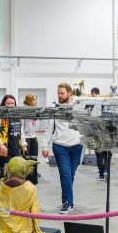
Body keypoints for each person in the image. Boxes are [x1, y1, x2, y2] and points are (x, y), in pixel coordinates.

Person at [42, 83, 83, 214]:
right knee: (65, 174)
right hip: (60, 146)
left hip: (77, 146)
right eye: (58, 93)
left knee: (70, 175)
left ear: (69, 93)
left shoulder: (79, 105)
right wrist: (45, 146)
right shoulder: (54, 107)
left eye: (62, 93)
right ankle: (68, 203)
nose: (59, 95)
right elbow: (49, 128)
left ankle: (66, 199)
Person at [0, 157, 46, 233]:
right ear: (25, 169)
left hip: (4, 229)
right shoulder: (29, 187)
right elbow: (34, 211)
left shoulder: (2, 186)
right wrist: (36, 228)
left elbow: (0, 208)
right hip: (24, 229)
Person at [0, 94, 26, 180]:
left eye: (12, 103)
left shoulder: (17, 116)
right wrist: (0, 144)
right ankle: (3, 188)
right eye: (8, 103)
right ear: (3, 104)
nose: (11, 105)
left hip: (16, 148)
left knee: (16, 172)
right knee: (5, 174)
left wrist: (24, 145)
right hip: (3, 149)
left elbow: (21, 131)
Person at [91, 87, 110, 181]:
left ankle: (101, 175)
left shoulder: (92, 102)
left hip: (97, 133)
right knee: (107, 154)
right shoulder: (106, 101)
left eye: (92, 94)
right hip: (107, 132)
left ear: (94, 93)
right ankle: (106, 171)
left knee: (99, 154)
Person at [22, 93, 41, 178]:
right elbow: (21, 127)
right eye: (34, 99)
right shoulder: (23, 111)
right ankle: (26, 174)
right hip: (26, 137)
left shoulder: (35, 110)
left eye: (36, 99)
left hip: (33, 136)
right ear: (29, 100)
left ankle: (34, 172)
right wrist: (22, 140)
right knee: (26, 157)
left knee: (34, 156)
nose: (36, 101)